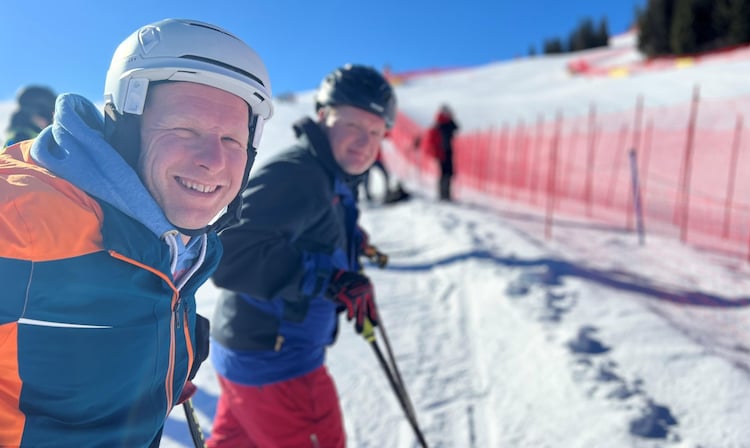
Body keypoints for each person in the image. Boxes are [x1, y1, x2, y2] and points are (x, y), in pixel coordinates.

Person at [0, 18, 274, 447]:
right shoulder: (20, 218)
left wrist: (156, 368)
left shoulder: (180, 241)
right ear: (126, 128)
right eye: (185, 128)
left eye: (233, 139)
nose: (214, 161)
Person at [207, 64, 396, 448]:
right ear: (324, 116)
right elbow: (232, 253)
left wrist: (352, 246)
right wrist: (329, 280)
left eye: (375, 133)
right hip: (279, 368)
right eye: (353, 127)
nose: (365, 143)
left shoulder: (330, 174)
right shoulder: (300, 175)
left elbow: (310, 230)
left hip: (247, 355)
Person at [427, 104, 459, 200]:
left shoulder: (446, 124)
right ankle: (443, 194)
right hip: (442, 153)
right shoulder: (439, 125)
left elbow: (456, 128)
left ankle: (446, 194)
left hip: (447, 152)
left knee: (448, 173)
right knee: (445, 173)